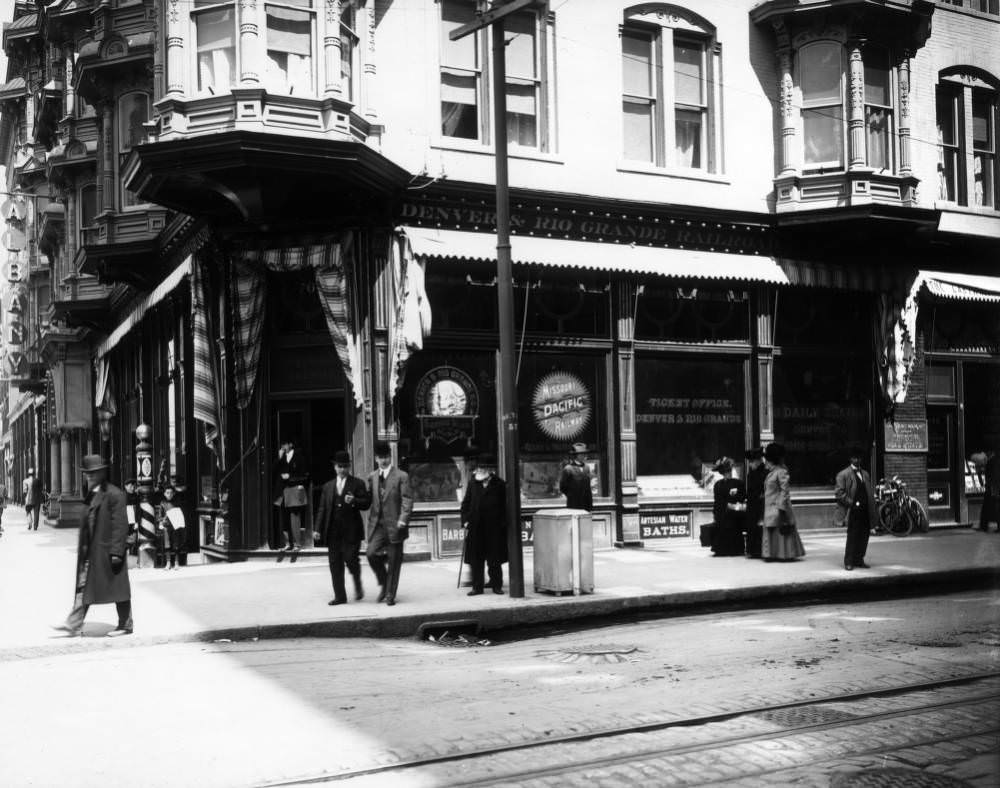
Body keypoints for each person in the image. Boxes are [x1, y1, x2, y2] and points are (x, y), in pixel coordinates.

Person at [52, 454, 133, 637]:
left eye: (93, 473)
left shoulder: (115, 494)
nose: (89, 476)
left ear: (102, 473)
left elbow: (120, 526)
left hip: (108, 551)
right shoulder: (92, 494)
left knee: (118, 590)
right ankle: (74, 623)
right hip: (92, 552)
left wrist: (117, 553)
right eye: (87, 473)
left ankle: (126, 624)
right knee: (85, 587)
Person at [313, 450, 371, 605]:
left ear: (350, 466)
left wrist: (354, 501)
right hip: (332, 531)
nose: (342, 470)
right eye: (340, 466)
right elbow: (322, 509)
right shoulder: (328, 486)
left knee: (350, 559)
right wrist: (317, 529)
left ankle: (357, 581)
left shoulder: (357, 483)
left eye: (345, 466)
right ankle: (340, 596)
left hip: (351, 531)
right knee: (334, 563)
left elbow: (366, 503)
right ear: (335, 467)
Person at [366, 441, 412, 606]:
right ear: (376, 459)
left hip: (395, 525)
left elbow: (407, 500)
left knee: (394, 561)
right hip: (378, 525)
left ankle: (390, 595)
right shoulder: (372, 477)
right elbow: (369, 499)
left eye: (386, 457)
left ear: (390, 457)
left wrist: (403, 519)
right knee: (370, 553)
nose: (383, 461)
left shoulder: (401, 476)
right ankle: (384, 582)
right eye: (380, 458)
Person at [460, 452, 508, 595]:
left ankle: (496, 584)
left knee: (494, 558)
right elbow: (465, 504)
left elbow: (504, 506)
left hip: (493, 527)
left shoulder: (499, 484)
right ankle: (477, 587)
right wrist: (465, 521)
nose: (479, 470)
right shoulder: (473, 483)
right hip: (475, 527)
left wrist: (502, 524)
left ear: (490, 470)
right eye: (479, 467)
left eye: (483, 468)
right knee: (476, 559)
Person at [834, 448, 877, 570]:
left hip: (865, 510)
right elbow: (839, 493)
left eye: (859, 457)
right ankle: (849, 561)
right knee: (853, 535)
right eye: (854, 457)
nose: (857, 460)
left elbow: (869, 491)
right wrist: (852, 503)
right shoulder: (843, 474)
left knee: (864, 536)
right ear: (850, 459)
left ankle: (859, 559)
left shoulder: (865, 474)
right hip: (852, 511)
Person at [762, 442, 805, 561]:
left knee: (780, 531)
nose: (765, 461)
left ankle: (784, 554)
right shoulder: (772, 472)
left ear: (771, 460)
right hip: (771, 508)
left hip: (778, 508)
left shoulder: (781, 472)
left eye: (767, 459)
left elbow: (784, 491)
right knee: (772, 530)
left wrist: (781, 508)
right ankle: (774, 554)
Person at [274, 440, 309, 553]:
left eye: (285, 444)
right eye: (281, 445)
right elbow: (274, 471)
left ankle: (297, 543)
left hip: (294, 489)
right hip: (283, 490)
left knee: (294, 516)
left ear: (290, 444)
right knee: (284, 517)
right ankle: (288, 543)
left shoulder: (299, 457)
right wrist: (279, 458)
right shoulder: (282, 457)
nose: (283, 447)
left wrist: (290, 476)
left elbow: (305, 475)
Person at [710, 457, 747, 556]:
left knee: (731, 530)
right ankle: (727, 549)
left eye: (728, 471)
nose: (727, 473)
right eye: (726, 472)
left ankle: (729, 549)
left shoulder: (737, 483)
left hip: (732, 514)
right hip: (724, 514)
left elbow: (742, 497)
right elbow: (717, 501)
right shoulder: (718, 484)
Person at [157, 482, 187, 569]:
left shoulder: (177, 503)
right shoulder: (162, 504)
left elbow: (181, 514)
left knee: (176, 544)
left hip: (176, 525)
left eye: (171, 493)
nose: (169, 495)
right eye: (167, 493)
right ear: (164, 494)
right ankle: (168, 562)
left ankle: (176, 562)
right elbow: (159, 517)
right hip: (167, 526)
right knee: (167, 544)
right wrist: (163, 519)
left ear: (173, 493)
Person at [744, 448, 766, 558]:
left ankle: (759, 550)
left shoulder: (765, 471)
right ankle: (752, 550)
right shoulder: (752, 472)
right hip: (752, 503)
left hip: (760, 503)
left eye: (752, 462)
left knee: (758, 526)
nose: (750, 464)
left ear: (758, 461)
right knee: (752, 526)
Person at [559, 442, 593, 511]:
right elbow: (563, 487)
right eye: (582, 454)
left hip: (587, 505)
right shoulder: (568, 469)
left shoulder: (587, 468)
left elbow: (588, 487)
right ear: (576, 455)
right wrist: (572, 495)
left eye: (584, 453)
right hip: (574, 505)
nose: (584, 456)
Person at [973, 450, 999, 533]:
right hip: (992, 487)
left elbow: (994, 476)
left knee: (994, 506)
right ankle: (983, 525)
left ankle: (984, 525)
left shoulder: (993, 461)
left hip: (993, 487)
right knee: (988, 506)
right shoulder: (991, 460)